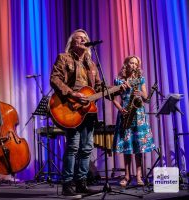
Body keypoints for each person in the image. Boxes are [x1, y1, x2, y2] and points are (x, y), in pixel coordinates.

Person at [50, 29, 126, 197]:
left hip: (88, 111)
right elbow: (55, 79)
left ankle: (81, 183)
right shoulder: (64, 58)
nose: (83, 40)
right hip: (70, 107)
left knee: (86, 148)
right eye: (79, 38)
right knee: (73, 146)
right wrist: (71, 94)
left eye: (85, 38)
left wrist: (118, 90)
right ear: (72, 42)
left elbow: (99, 88)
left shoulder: (91, 64)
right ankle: (67, 184)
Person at [112, 56, 156, 187]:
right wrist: (120, 109)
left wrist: (139, 93)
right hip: (125, 113)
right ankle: (126, 176)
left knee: (138, 147)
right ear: (126, 64)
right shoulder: (118, 80)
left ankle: (139, 176)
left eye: (136, 64)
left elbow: (146, 97)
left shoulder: (140, 79)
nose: (133, 65)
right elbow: (113, 99)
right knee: (127, 147)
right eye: (131, 63)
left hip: (139, 115)